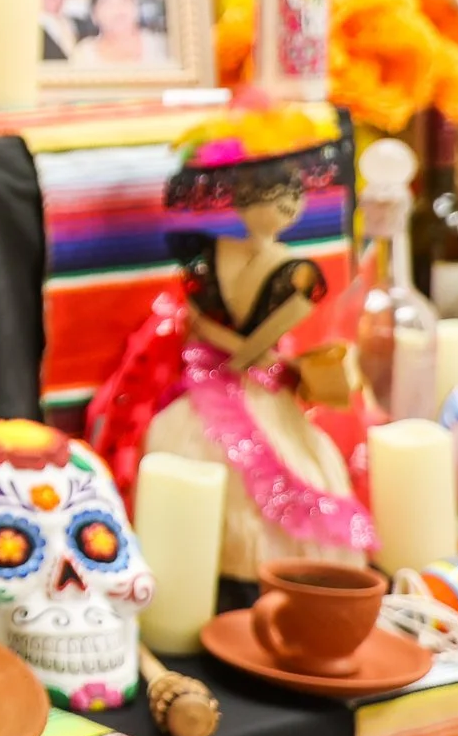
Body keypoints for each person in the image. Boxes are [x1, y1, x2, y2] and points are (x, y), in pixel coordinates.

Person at [86, 114, 371, 580]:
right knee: (271, 474)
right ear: (241, 199)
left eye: (295, 193)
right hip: (238, 386)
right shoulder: (293, 269)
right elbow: (255, 341)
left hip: (205, 382)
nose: (293, 204)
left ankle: (207, 572)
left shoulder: (209, 255)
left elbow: (198, 321)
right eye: (280, 194)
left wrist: (235, 357)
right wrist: (269, 363)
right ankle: (251, 571)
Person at [70, 0, 169, 68]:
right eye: (107, 2)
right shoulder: (83, 55)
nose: (118, 8)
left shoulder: (161, 45)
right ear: (94, 15)